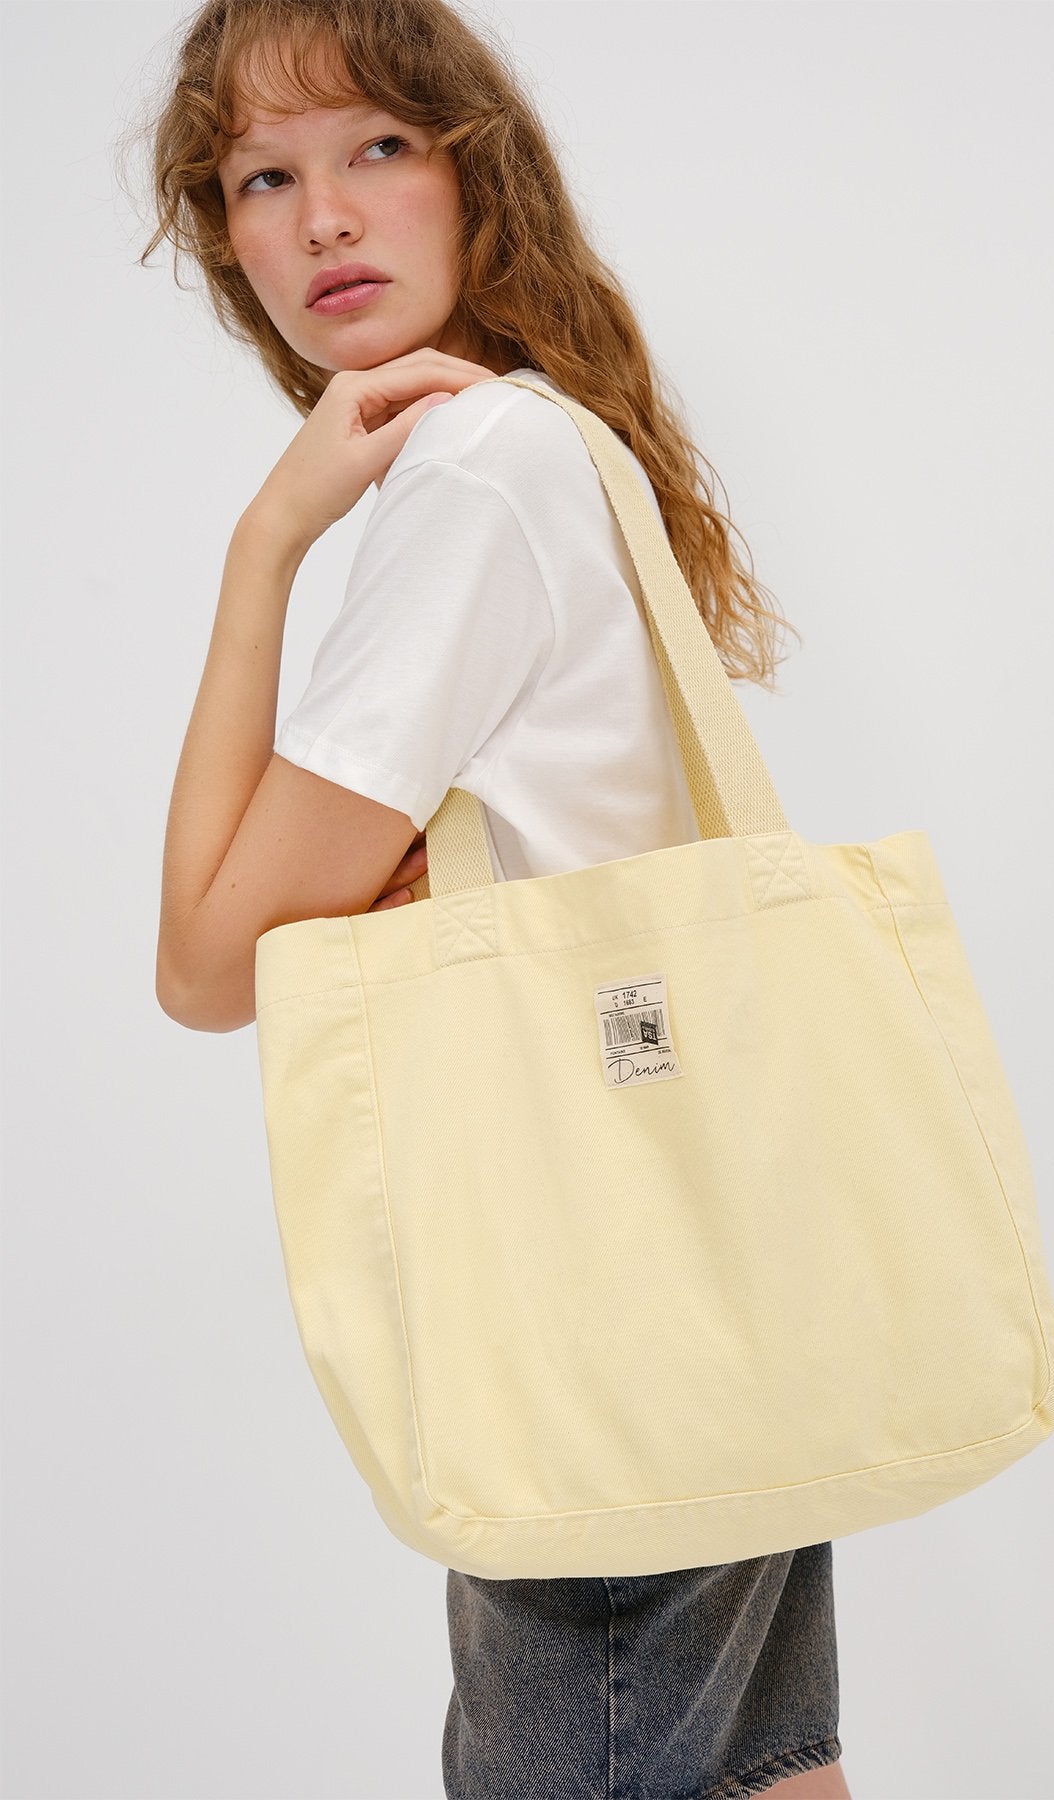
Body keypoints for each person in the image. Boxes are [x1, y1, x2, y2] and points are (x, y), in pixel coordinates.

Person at [142, 1, 851, 1795]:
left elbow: (208, 962)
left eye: (378, 146)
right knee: (767, 1770)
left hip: (580, 1285)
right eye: (262, 178)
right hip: (710, 1239)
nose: (323, 217)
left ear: (479, 175)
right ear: (227, 237)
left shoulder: (474, 474)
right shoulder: (550, 442)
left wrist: (264, 544)